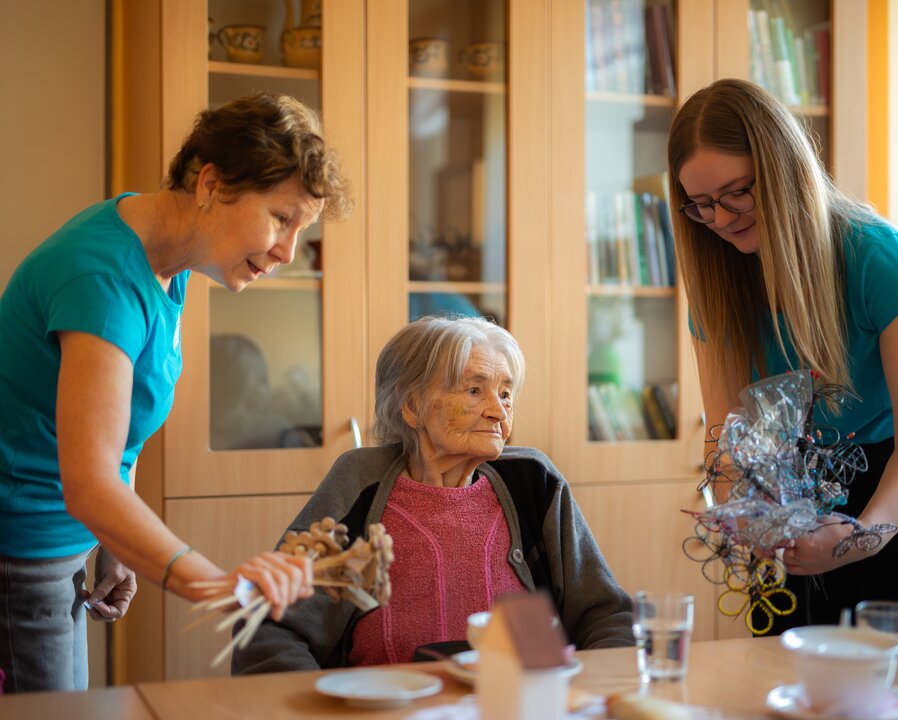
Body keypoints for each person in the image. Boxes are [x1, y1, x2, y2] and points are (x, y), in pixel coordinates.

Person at [0, 91, 352, 692]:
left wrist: (117, 544)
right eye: (280, 217)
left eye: (301, 228)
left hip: (53, 554)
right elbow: (89, 483)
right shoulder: (105, 279)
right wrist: (222, 587)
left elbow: (117, 430)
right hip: (20, 557)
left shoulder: (169, 261)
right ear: (211, 184)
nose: (287, 252)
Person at [667, 78, 898, 665]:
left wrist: (862, 536)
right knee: (789, 678)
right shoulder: (721, 283)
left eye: (736, 193)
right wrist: (741, 511)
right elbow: (726, 435)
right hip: (799, 494)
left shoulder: (878, 255)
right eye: (699, 204)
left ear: (781, 170)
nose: (719, 219)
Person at [231, 315, 633, 673]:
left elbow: (608, 617)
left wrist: (589, 696)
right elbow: (269, 632)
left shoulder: (533, 482)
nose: (498, 410)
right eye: (475, 391)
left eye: (506, 394)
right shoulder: (358, 483)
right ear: (412, 407)